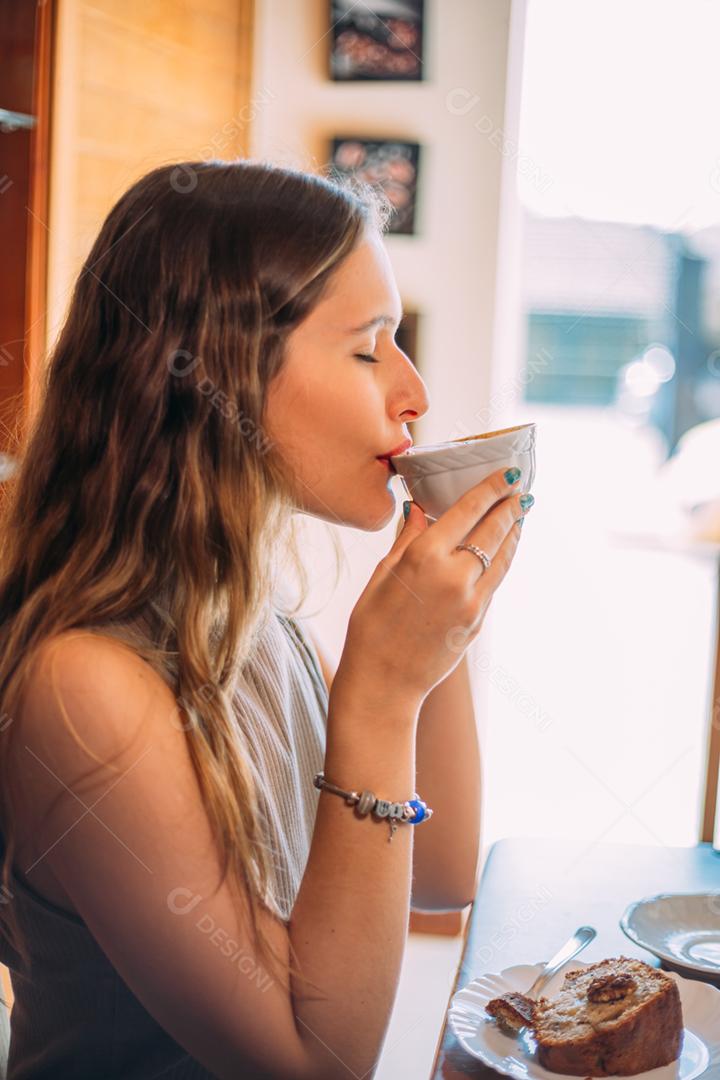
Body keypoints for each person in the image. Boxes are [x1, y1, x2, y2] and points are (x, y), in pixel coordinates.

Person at [0, 159, 531, 1079]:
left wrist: (442, 632)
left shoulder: (251, 616)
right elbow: (313, 1065)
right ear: (218, 371)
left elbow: (441, 874)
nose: (415, 392)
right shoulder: (87, 684)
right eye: (369, 349)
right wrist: (378, 692)